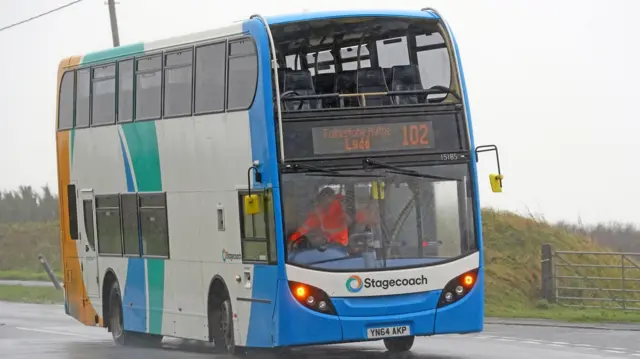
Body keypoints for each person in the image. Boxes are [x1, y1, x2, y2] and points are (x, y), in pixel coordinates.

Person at [288, 187, 371, 247]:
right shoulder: (317, 216)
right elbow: (303, 230)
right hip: (326, 251)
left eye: (330, 198)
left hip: (342, 250)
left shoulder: (341, 212)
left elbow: (351, 221)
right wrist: (292, 241)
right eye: (322, 199)